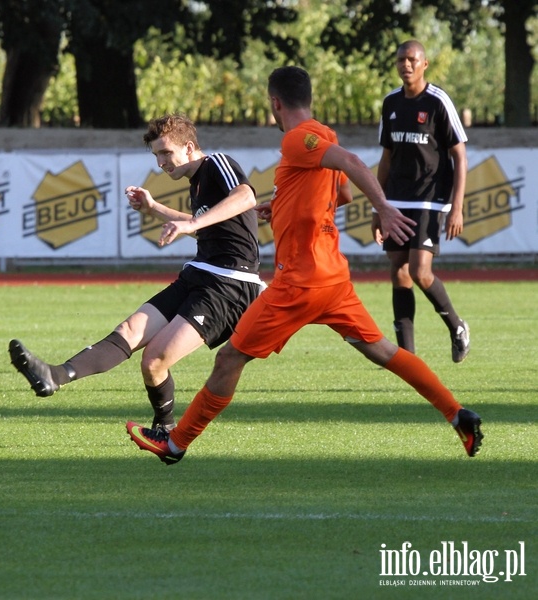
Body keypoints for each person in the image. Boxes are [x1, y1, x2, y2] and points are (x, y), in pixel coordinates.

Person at [127, 66, 484, 466]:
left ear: (276, 103)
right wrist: (279, 205)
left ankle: (175, 443)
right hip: (334, 279)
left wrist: (383, 207)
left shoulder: (300, 138)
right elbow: (341, 193)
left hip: (300, 281)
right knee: (384, 351)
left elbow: (349, 163)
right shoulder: (323, 133)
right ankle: (457, 413)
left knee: (230, 358)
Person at [9, 114, 263, 431]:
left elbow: (247, 197)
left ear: (188, 147)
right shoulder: (197, 182)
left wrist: (192, 223)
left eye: (166, 153)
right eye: (156, 155)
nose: (160, 163)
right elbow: (215, 230)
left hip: (230, 284)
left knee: (154, 359)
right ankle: (55, 375)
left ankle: (169, 432)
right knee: (129, 331)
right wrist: (153, 209)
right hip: (200, 274)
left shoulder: (217, 164)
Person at [373, 40, 470, 362]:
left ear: (424, 64)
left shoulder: (439, 101)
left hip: (430, 198)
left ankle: (457, 327)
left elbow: (460, 154)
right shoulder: (390, 103)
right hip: (396, 199)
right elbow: (386, 158)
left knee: (420, 271)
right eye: (401, 59)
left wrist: (456, 207)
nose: (406, 65)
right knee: (398, 270)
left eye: (412, 60)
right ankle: (408, 358)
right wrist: (379, 206)